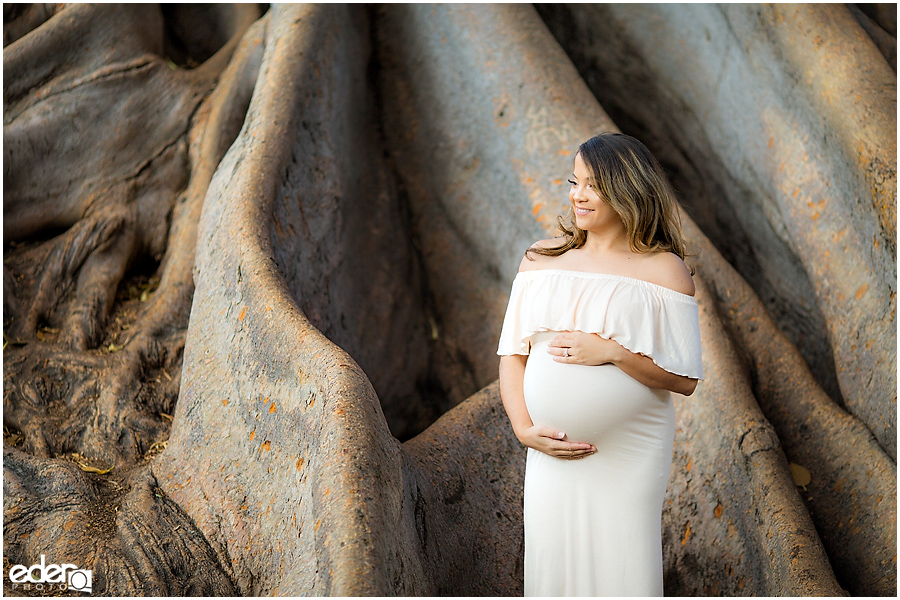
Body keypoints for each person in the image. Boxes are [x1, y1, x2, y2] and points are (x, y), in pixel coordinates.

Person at [497, 133, 703, 596]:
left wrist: (615, 354)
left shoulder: (664, 270)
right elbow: (512, 354)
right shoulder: (540, 260)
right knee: (554, 567)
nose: (577, 194)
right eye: (575, 181)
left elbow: (685, 380)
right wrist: (522, 428)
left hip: (630, 451)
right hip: (552, 451)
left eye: (594, 185)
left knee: (625, 567)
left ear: (628, 190)